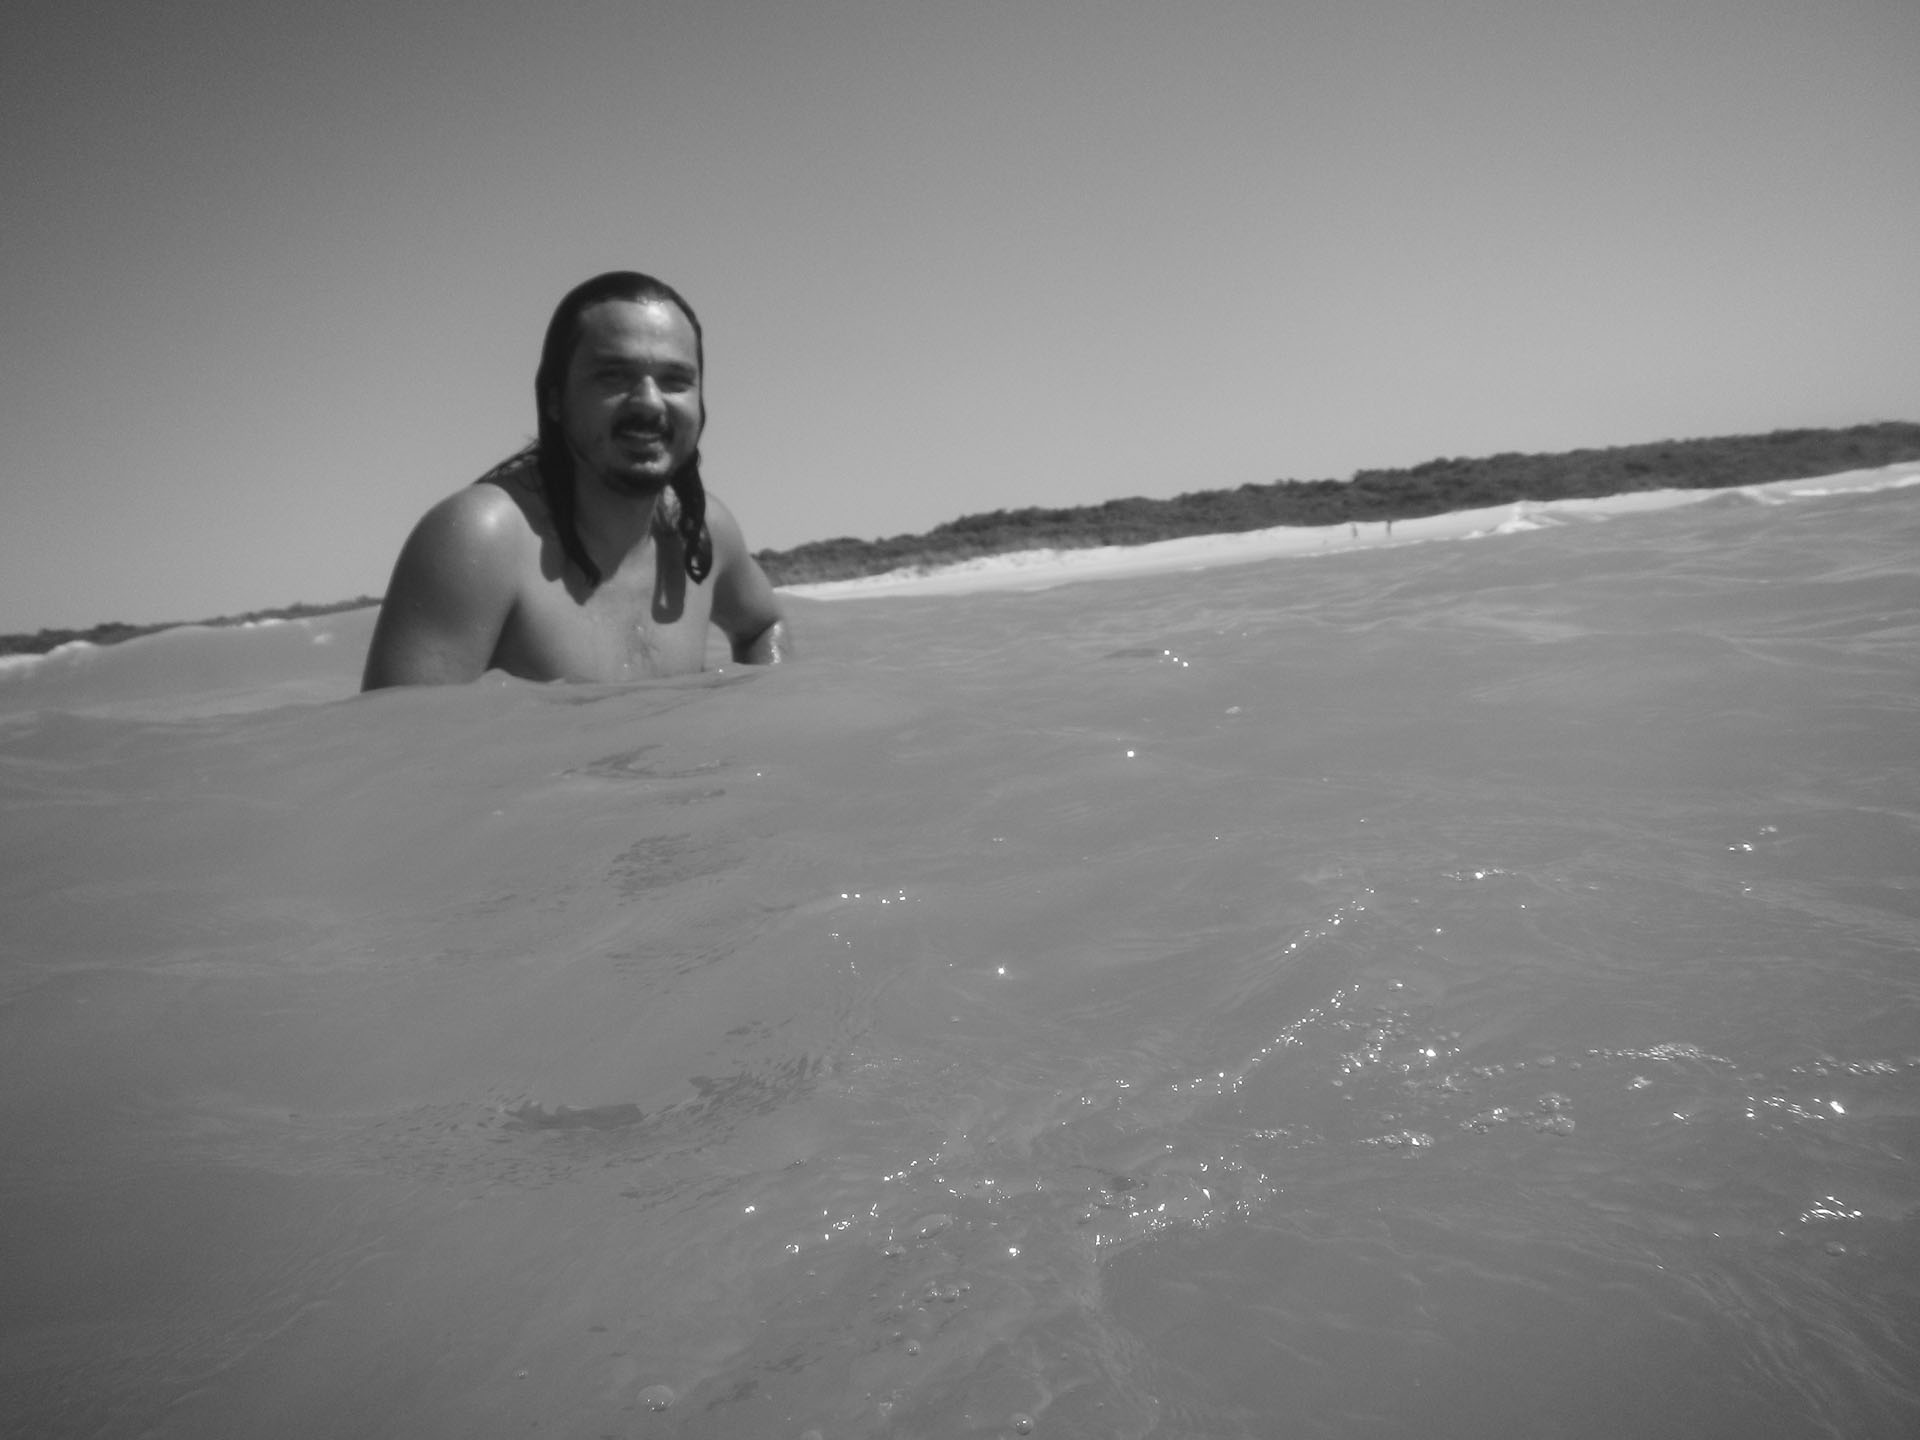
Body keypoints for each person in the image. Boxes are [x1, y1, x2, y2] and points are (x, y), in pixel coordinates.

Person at [362, 272, 789, 689]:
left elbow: (764, 626)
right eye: (613, 376)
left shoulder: (701, 531)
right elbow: (400, 733)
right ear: (555, 399)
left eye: (675, 381)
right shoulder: (483, 539)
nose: (649, 402)